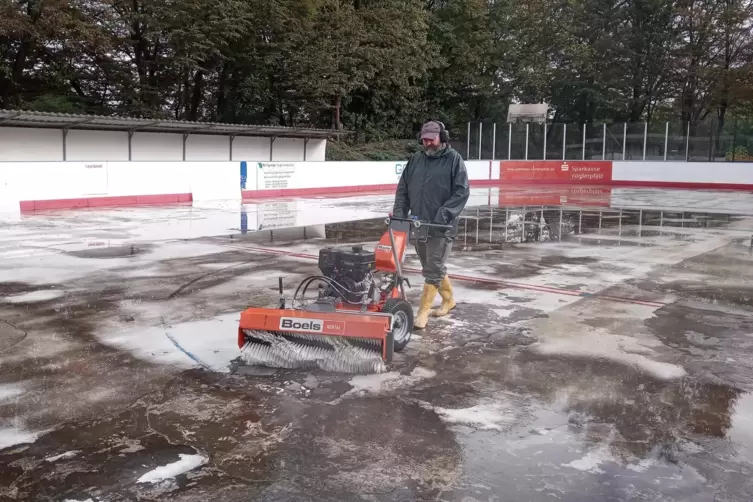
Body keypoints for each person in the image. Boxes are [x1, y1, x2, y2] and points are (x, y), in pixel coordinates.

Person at [392, 120, 470, 329]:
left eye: (431, 139)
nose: (427, 143)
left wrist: (443, 215)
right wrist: (400, 216)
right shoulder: (416, 159)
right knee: (431, 266)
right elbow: (403, 189)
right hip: (419, 225)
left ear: (442, 137)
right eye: (424, 139)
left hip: (442, 226)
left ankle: (422, 312)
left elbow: (462, 192)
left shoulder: (454, 160)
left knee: (433, 269)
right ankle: (448, 300)